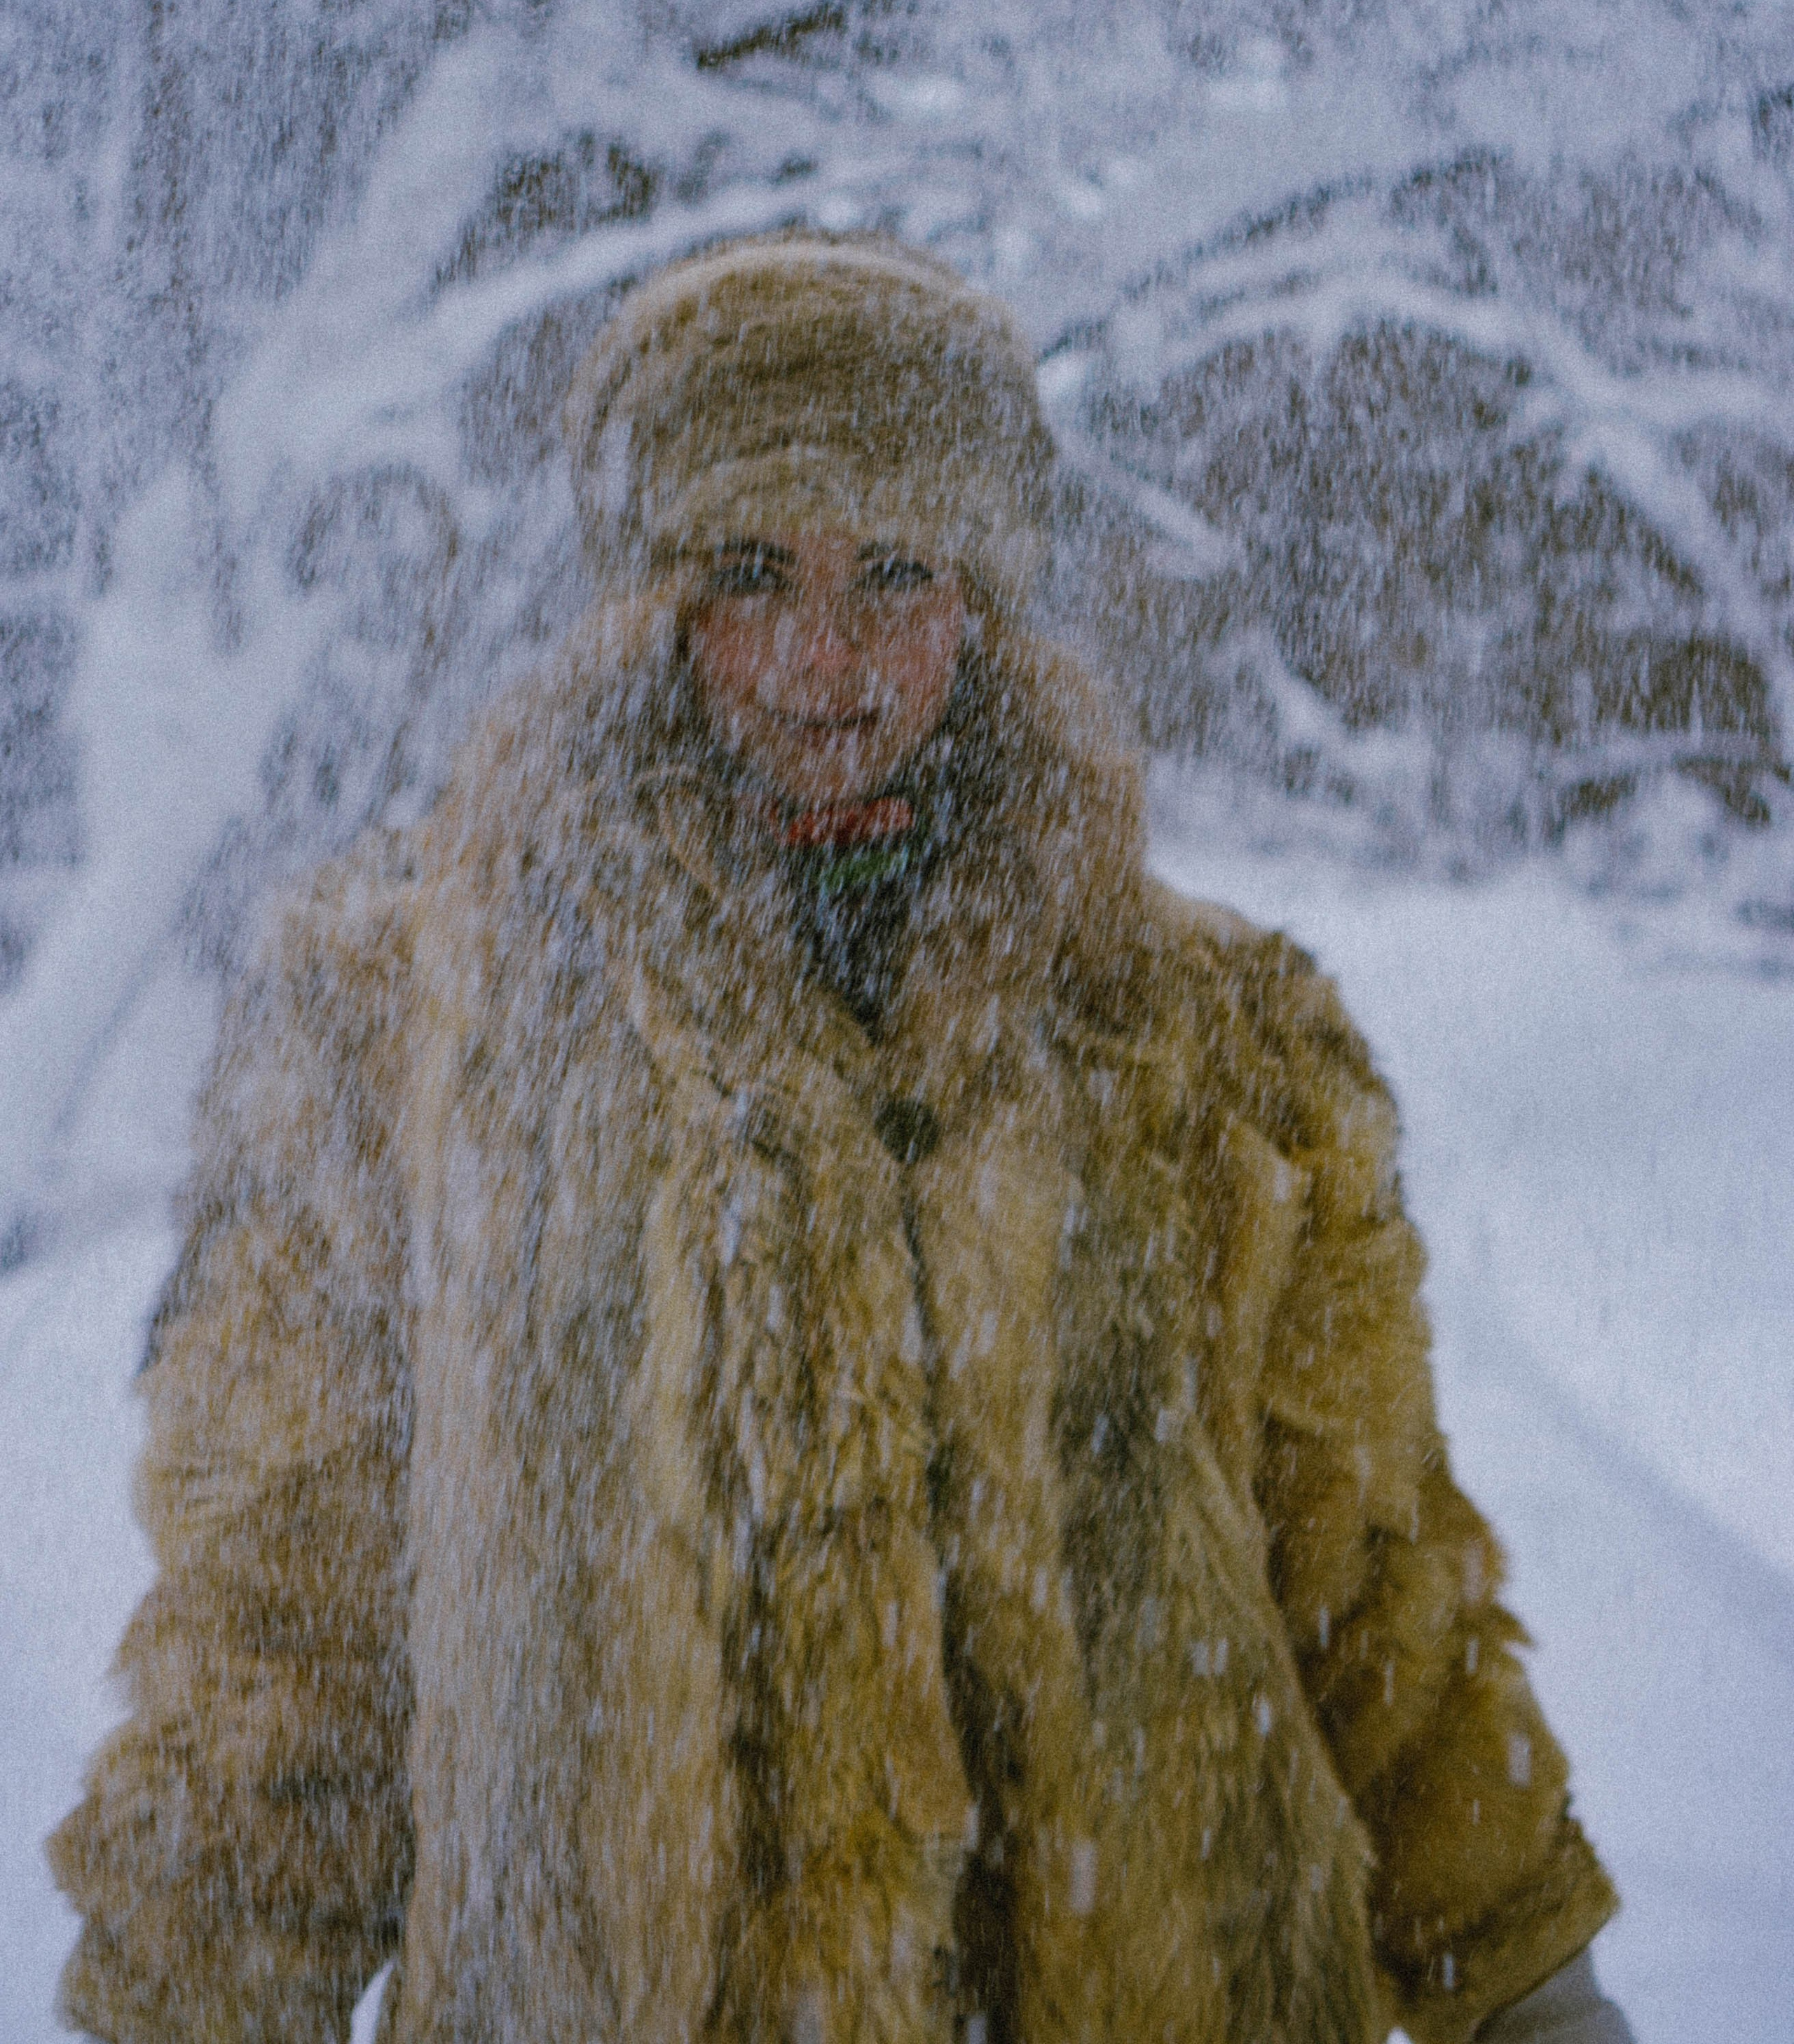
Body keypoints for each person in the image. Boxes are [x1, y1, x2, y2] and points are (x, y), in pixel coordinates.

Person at [50, 235, 1634, 2044]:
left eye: (895, 570)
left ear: (981, 596)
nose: (828, 657)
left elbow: (1378, 1600)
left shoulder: (1217, 1044)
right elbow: (286, 1648)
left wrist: (1539, 1996)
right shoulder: (406, 1037)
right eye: (751, 573)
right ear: (647, 606)